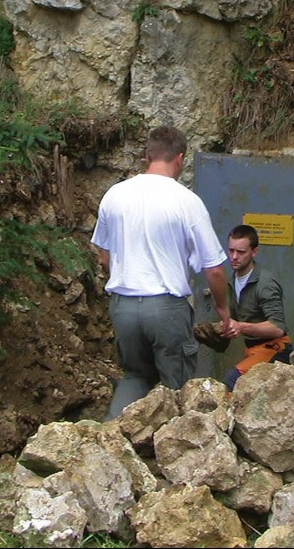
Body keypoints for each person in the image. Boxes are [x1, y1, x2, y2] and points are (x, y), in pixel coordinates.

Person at [91, 125, 231, 421]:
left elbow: (104, 256)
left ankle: (109, 440)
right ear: (180, 158)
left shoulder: (114, 195)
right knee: (175, 386)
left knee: (134, 376)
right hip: (166, 307)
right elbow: (215, 269)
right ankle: (174, 454)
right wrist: (223, 310)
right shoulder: (186, 201)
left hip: (123, 306)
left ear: (146, 156)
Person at [220, 224, 291, 391]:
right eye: (231, 251)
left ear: (254, 252)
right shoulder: (232, 280)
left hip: (275, 348)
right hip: (252, 348)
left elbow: (277, 328)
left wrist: (241, 326)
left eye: (241, 252)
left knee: (233, 380)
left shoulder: (265, 283)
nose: (234, 257)